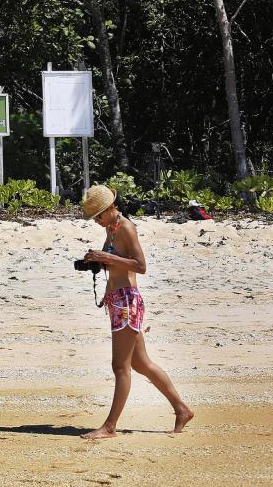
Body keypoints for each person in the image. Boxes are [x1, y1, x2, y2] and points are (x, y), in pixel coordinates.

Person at [80, 185, 194, 439]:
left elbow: (140, 266)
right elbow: (117, 261)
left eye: (98, 215)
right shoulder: (112, 228)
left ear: (111, 208)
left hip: (127, 303)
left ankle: (110, 427)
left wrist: (106, 257)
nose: (97, 221)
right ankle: (182, 409)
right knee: (141, 363)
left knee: (120, 367)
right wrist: (98, 260)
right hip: (117, 301)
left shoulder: (127, 228)